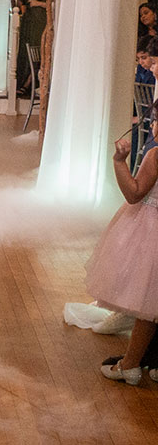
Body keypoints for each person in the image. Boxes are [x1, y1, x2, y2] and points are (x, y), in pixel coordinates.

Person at [85, 114, 158, 385]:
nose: (152, 126)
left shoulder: (155, 155)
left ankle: (130, 365)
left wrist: (119, 162)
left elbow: (134, 192)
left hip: (151, 231)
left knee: (146, 307)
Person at [16, 0, 48, 95]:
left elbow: (54, 4)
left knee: (38, 52)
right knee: (25, 51)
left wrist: (39, 3)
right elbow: (20, 4)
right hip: (28, 22)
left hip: (42, 23)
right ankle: (22, 82)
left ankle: (29, 83)